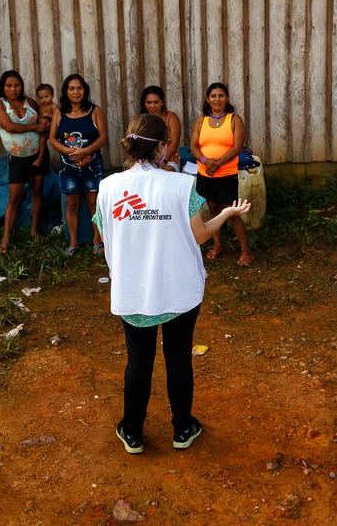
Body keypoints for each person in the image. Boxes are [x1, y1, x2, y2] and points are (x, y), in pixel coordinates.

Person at [93, 113, 251, 454]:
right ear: (163, 146)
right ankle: (183, 427)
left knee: (138, 360)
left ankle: (131, 431)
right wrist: (224, 215)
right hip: (177, 289)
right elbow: (199, 235)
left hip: (132, 288)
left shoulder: (107, 187)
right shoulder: (180, 185)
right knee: (178, 357)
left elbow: (106, 235)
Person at [189, 82, 254, 266]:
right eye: (213, 96)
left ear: (227, 99)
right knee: (213, 209)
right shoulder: (201, 121)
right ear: (208, 99)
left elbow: (237, 147)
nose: (217, 99)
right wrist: (205, 161)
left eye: (221, 96)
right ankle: (218, 245)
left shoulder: (234, 120)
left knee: (232, 213)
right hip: (205, 174)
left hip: (226, 174)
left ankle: (245, 252)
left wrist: (217, 163)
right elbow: (193, 146)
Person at [0, 70, 49, 253]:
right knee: (14, 197)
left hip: (38, 154)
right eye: (9, 85)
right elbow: (9, 126)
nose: (13, 89)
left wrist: (45, 129)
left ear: (21, 86)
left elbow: (43, 122)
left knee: (37, 191)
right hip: (17, 159)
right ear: (2, 87)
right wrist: (35, 127)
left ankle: (34, 230)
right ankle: (5, 239)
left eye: (17, 85)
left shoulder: (30, 102)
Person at [49, 74, 107, 256]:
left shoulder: (94, 111)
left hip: (92, 164)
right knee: (71, 204)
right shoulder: (59, 113)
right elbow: (52, 139)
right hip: (68, 167)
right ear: (66, 91)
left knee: (93, 202)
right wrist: (70, 152)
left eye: (79, 88)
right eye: (72, 88)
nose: (76, 92)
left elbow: (103, 138)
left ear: (85, 90)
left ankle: (97, 240)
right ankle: (73, 241)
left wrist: (86, 150)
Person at [138, 85, 182, 172]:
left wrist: (164, 160)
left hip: (168, 160)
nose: (152, 106)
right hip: (146, 160)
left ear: (162, 101)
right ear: (144, 103)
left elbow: (175, 142)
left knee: (164, 173)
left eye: (156, 102)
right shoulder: (140, 119)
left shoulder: (171, 117)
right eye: (149, 102)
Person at [31, 83, 56, 169]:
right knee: (37, 140)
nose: (44, 99)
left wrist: (48, 116)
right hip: (43, 128)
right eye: (41, 98)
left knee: (42, 140)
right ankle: (36, 156)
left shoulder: (53, 106)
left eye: (46, 96)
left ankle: (40, 158)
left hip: (51, 128)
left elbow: (58, 118)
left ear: (52, 95)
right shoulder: (41, 107)